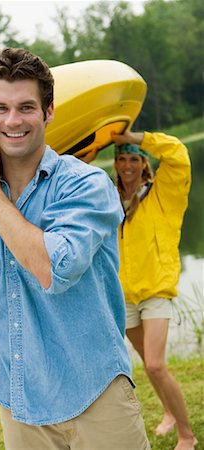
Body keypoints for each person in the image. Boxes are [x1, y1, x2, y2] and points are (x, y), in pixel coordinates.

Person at [0, 48, 151, 450]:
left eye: (26, 107)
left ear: (48, 113)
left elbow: (54, 269)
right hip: (20, 407)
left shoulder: (85, 185)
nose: (13, 121)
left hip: (96, 394)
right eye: (1, 108)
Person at [109, 130, 197, 450]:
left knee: (156, 365)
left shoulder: (163, 193)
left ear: (144, 162)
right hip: (124, 294)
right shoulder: (107, 197)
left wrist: (137, 136)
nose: (128, 165)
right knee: (149, 361)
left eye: (134, 158)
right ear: (116, 162)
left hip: (157, 289)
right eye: (122, 158)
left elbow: (177, 154)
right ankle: (169, 412)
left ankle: (187, 435)